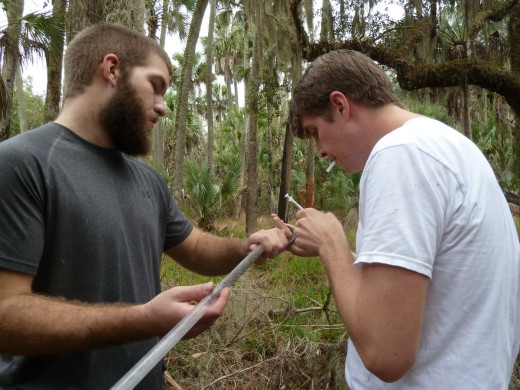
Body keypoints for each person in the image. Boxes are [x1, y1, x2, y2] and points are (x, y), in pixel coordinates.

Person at [0, 23, 288, 390]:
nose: (162, 107)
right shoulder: (22, 164)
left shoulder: (146, 180)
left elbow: (196, 248)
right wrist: (145, 319)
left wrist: (248, 246)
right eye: (156, 85)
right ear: (112, 69)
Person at [274, 49, 520, 389]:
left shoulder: (400, 155)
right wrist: (338, 254)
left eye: (315, 132)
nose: (320, 151)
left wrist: (332, 243)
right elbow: (429, 287)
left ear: (340, 105)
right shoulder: (448, 145)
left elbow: (385, 354)